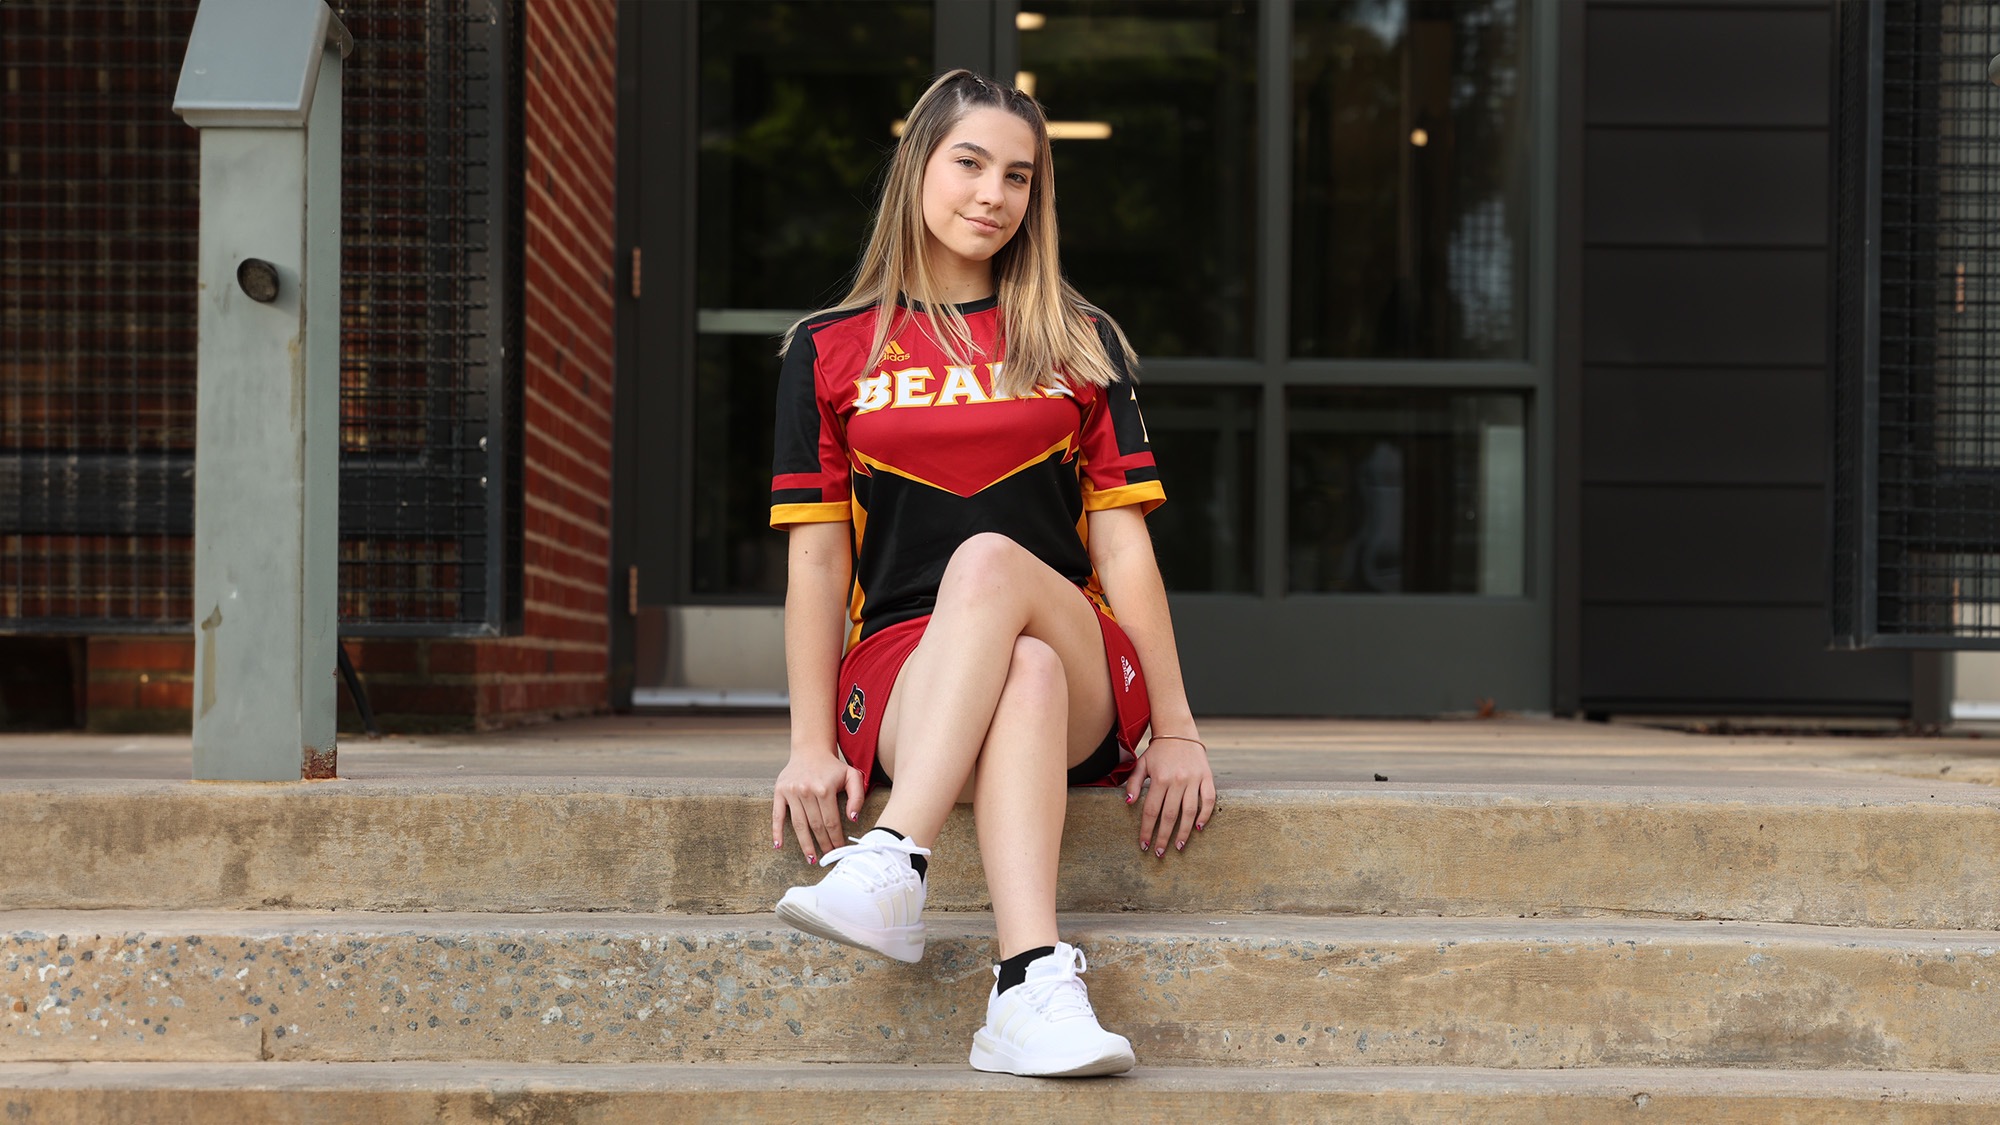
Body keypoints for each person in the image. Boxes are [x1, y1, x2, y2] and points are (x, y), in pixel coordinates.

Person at [767, 68, 1216, 1078]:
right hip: (904, 674)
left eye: (1018, 176)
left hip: (1081, 656)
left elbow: (1120, 546)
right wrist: (804, 741)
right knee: (1022, 671)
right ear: (916, 167)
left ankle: (890, 858)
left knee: (994, 575)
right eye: (968, 162)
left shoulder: (1076, 340)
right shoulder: (827, 351)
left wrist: (1178, 730)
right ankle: (1027, 987)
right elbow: (815, 556)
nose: (992, 194)